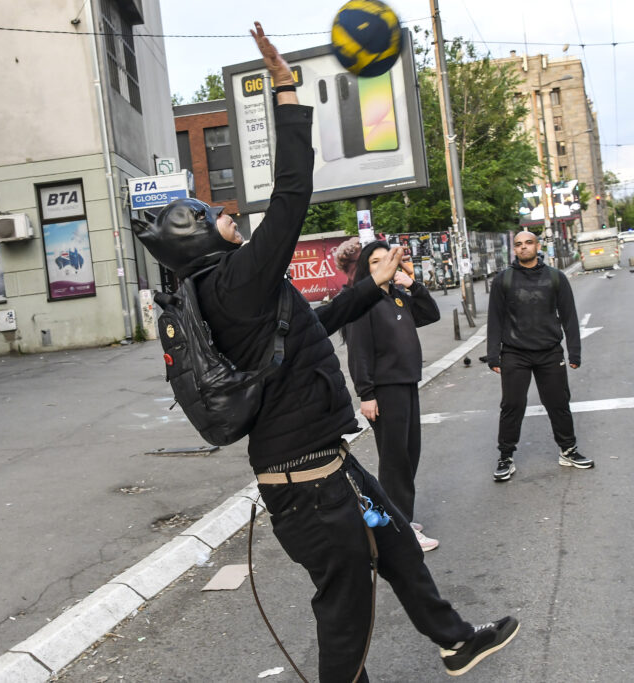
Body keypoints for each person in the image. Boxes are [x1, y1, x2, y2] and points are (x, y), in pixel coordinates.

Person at [131, 24, 518, 682]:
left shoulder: (235, 291)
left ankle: (453, 639)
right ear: (195, 241)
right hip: (308, 485)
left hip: (327, 465)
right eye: (209, 213)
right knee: (346, 615)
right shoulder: (233, 281)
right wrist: (285, 90)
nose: (225, 211)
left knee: (397, 545)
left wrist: (375, 282)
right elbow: (291, 194)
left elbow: (319, 317)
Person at [343, 241, 442, 552]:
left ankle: (400, 517)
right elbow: (358, 352)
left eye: (387, 260)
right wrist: (366, 394)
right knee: (395, 461)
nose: (382, 266)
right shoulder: (363, 301)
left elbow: (430, 313)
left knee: (409, 454)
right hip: (385, 391)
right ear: (365, 268)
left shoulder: (397, 297)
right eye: (374, 262)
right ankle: (399, 530)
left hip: (407, 384)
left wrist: (413, 284)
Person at [486, 230, 592, 482]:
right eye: (519, 244)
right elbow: (495, 319)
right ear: (515, 249)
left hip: (549, 352)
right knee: (512, 406)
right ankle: (505, 456)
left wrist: (574, 352)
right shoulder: (504, 280)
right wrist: (493, 356)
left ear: (537, 246)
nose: (523, 248)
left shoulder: (556, 278)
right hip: (514, 353)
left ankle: (568, 450)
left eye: (528, 243)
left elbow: (569, 316)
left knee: (558, 403)